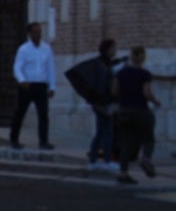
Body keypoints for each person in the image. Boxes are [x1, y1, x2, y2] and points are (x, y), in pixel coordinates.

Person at [65, 39, 119, 172]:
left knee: (101, 132)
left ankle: (94, 160)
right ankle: (106, 160)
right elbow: (101, 83)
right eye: (113, 48)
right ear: (108, 49)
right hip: (103, 103)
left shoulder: (104, 64)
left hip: (100, 102)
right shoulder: (100, 65)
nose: (115, 51)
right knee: (107, 132)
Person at [113, 45, 163, 183]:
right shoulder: (144, 74)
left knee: (126, 143)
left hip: (124, 111)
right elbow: (146, 93)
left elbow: (114, 91)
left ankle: (123, 173)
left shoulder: (121, 73)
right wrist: (156, 101)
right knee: (148, 138)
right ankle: (146, 158)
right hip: (140, 110)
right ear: (143, 57)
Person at [9, 22, 56, 150]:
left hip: (41, 85)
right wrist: (22, 80)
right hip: (27, 86)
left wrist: (52, 86)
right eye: (35, 32)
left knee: (43, 114)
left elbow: (50, 68)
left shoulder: (47, 49)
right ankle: (14, 139)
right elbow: (17, 67)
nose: (38, 34)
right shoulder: (23, 49)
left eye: (39, 32)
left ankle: (43, 141)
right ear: (29, 34)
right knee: (20, 113)